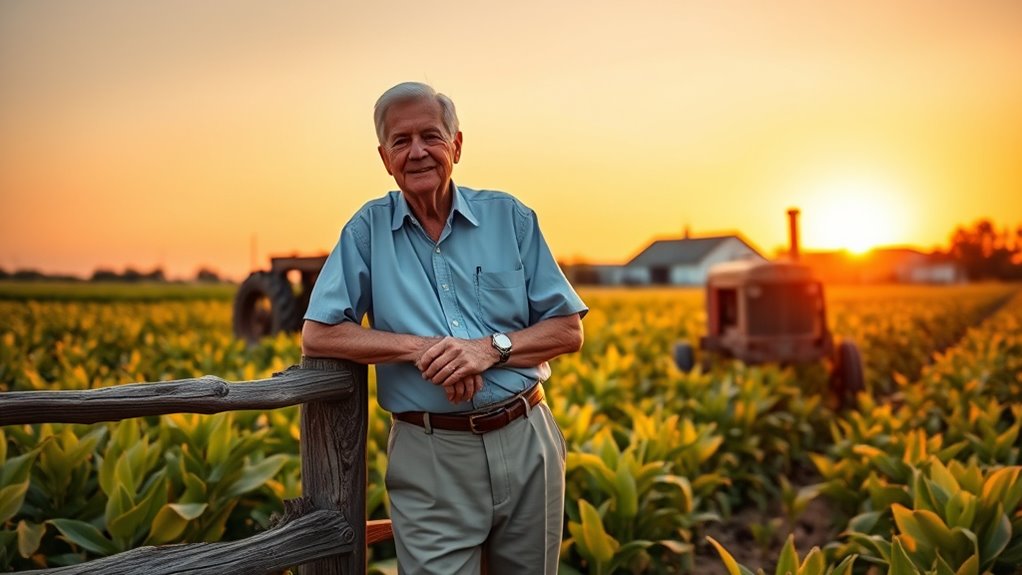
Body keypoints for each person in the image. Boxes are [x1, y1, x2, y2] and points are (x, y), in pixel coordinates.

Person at [301, 81, 587, 575]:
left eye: (431, 136)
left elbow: (567, 330)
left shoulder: (511, 217)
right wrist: (425, 349)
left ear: (456, 144)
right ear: (384, 157)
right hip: (430, 455)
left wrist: (487, 350)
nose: (417, 152)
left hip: (527, 441)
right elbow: (320, 333)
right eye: (401, 141)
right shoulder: (367, 231)